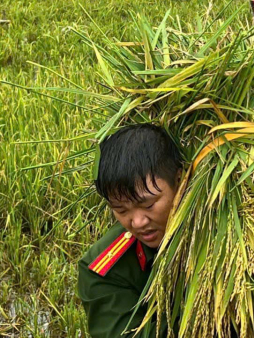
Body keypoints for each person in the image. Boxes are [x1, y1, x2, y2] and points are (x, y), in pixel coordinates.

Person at [78, 124, 182, 338]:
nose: (138, 222)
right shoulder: (105, 269)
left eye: (148, 205)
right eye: (121, 209)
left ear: (179, 181)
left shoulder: (223, 231)